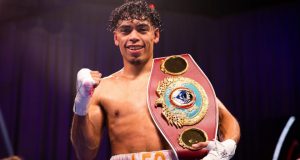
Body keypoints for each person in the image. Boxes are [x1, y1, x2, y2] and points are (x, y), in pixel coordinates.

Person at [70, 0, 241, 160]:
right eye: (126, 30)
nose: (134, 36)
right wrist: (81, 102)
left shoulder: (178, 78)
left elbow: (227, 120)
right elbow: (85, 154)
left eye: (142, 29)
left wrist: (225, 148)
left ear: (156, 35)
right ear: (116, 38)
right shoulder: (102, 89)